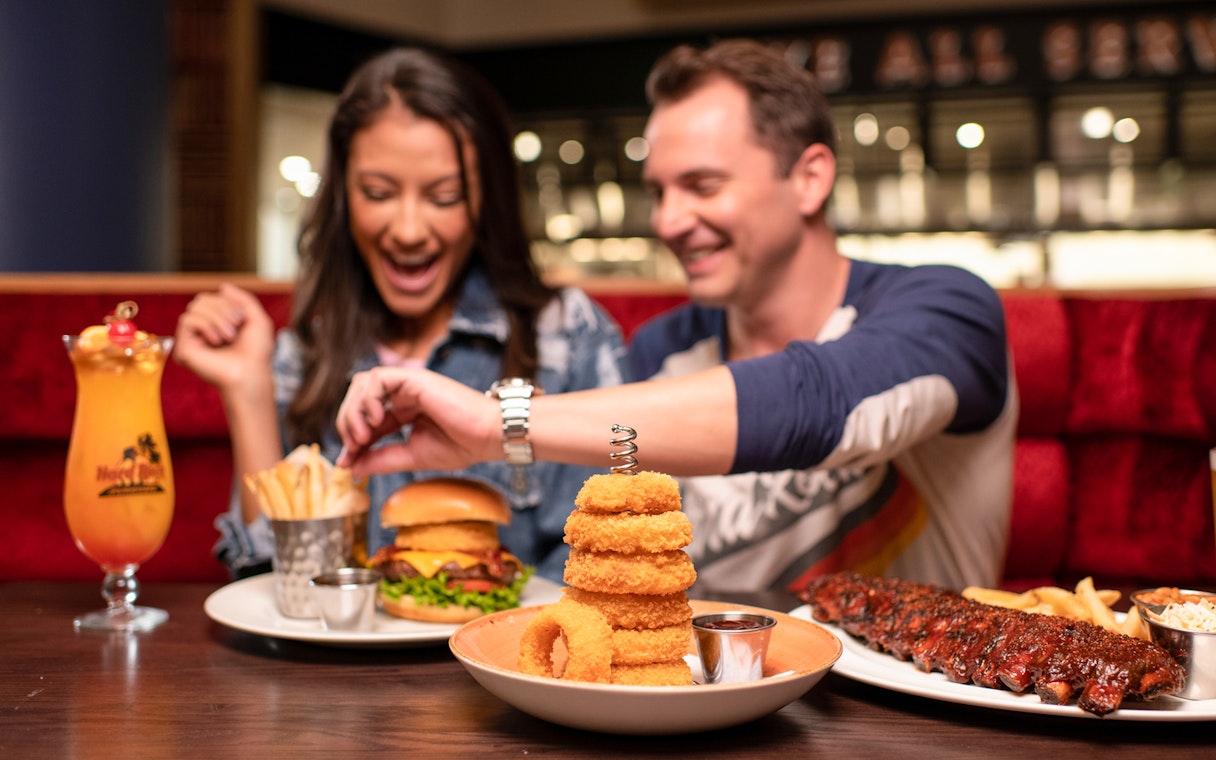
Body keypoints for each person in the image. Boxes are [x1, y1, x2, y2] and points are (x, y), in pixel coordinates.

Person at [335, 39, 1017, 593]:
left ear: (810, 178)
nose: (668, 220)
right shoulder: (660, 351)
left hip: (918, 710)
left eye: (702, 185)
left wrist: (498, 425)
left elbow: (817, 401)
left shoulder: (948, 311)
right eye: (658, 191)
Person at [174, 47, 627, 582]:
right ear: (343, 196)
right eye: (379, 193)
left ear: (487, 200)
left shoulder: (566, 333)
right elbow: (273, 583)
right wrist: (247, 388)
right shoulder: (305, 353)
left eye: (444, 196)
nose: (409, 229)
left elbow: (611, 555)